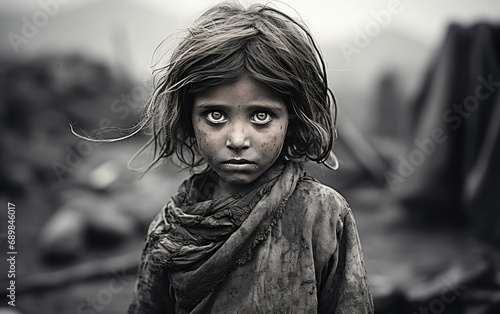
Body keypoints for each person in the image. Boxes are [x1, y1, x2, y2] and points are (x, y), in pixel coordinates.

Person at [127, 2, 374, 313]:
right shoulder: (172, 227)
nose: (238, 140)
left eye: (261, 115)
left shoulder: (322, 214)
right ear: (189, 118)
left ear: (292, 119)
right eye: (215, 115)